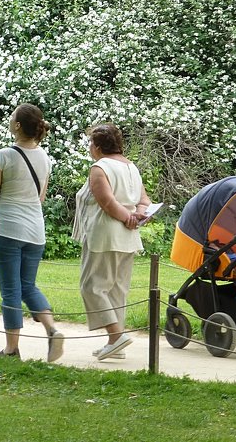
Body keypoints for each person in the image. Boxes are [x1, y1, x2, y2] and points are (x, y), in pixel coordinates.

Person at [0, 103, 64, 362]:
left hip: (7, 228)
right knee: (27, 285)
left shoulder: (4, 155)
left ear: (18, 125)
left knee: (10, 289)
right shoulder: (44, 157)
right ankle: (52, 329)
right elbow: (40, 198)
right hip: (35, 230)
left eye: (12, 116)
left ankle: (11, 348)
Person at [72, 124, 152, 361]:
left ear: (97, 146)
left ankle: (116, 336)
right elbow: (144, 200)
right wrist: (137, 215)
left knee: (92, 286)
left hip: (105, 235)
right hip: (127, 237)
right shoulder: (131, 167)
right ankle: (114, 343)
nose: (89, 148)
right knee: (117, 289)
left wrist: (129, 217)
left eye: (90, 144)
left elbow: (106, 201)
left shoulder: (100, 167)